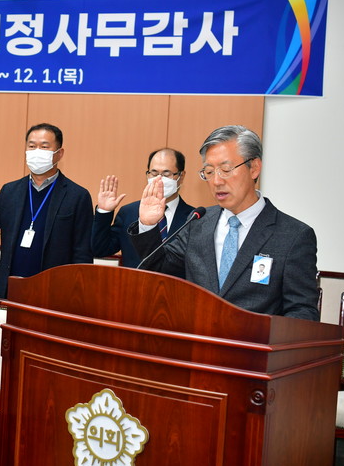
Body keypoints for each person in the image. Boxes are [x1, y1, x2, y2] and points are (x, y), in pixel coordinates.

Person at [129, 125, 319, 320]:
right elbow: (160, 270)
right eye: (209, 172)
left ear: (254, 168)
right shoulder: (198, 222)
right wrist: (148, 224)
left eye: (226, 170)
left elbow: (302, 311)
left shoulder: (293, 236)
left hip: (253, 339)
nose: (216, 181)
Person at [0, 123, 93, 298]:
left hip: (54, 292)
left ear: (59, 153)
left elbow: (82, 254)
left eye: (44, 146)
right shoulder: (10, 191)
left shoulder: (77, 196)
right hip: (9, 289)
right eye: (32, 146)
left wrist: (76, 296)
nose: (36, 151)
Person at [92, 148, 194, 267]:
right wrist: (104, 211)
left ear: (181, 176)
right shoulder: (128, 213)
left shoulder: (194, 218)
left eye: (166, 173)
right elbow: (100, 249)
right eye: (154, 173)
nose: (159, 179)